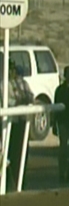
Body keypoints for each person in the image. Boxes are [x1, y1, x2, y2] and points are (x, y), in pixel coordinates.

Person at [0, 59, 34, 189]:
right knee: (10, 154)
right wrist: (20, 101)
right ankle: (9, 182)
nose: (13, 72)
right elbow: (8, 101)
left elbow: (31, 96)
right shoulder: (4, 84)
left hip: (22, 123)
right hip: (10, 124)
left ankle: (21, 180)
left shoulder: (23, 83)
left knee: (22, 153)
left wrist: (24, 99)